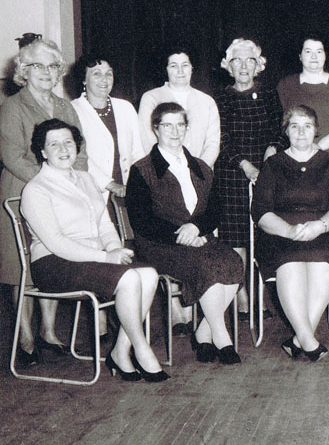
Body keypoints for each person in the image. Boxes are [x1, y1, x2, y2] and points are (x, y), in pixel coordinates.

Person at [20, 119, 167, 382]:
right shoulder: (36, 189)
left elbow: (105, 224)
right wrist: (105, 257)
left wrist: (115, 249)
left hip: (91, 258)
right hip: (53, 265)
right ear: (42, 151)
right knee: (129, 278)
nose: (63, 149)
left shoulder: (86, 179)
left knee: (148, 275)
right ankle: (142, 349)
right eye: (54, 144)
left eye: (68, 142)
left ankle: (121, 350)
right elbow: (57, 243)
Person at [126, 102, 243, 365]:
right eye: (167, 125)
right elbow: (142, 221)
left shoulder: (201, 166)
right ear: (156, 129)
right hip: (160, 244)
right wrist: (182, 234)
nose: (174, 131)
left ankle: (203, 334)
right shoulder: (142, 169)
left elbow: (215, 209)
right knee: (207, 266)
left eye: (180, 124)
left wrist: (197, 228)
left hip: (199, 237)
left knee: (234, 262)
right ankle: (222, 337)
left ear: (187, 128)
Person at [0, 36, 87, 366]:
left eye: (53, 66)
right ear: (23, 70)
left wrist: (76, 182)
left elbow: (79, 151)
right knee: (20, 268)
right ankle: (25, 336)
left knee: (51, 256)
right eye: (37, 66)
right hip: (20, 192)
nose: (46, 73)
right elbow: (13, 157)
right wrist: (52, 180)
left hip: (62, 195)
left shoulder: (65, 107)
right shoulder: (12, 108)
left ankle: (50, 332)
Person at [251, 105, 329, 362]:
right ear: (286, 131)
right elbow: (260, 212)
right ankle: (307, 340)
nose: (301, 132)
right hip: (279, 235)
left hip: (323, 231)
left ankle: (300, 339)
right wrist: (289, 230)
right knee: (291, 264)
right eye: (294, 126)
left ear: (317, 130)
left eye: (307, 126)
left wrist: (320, 225)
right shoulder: (273, 164)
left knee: (323, 263)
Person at [215, 38, 285, 320]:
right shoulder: (220, 98)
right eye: (237, 61)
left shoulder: (269, 94)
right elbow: (221, 139)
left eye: (250, 60)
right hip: (232, 175)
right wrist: (245, 166)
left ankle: (263, 296)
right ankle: (242, 296)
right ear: (228, 66)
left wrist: (271, 151)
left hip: (266, 173)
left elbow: (280, 128)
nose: (244, 66)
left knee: (265, 235)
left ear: (259, 65)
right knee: (236, 239)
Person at [277, 36, 329, 179]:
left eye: (319, 51)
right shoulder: (285, 85)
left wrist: (318, 147)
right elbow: (280, 124)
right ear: (300, 56)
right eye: (308, 51)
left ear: (325, 55)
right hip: (296, 161)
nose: (314, 56)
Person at [72, 54, 144, 203]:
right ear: (84, 79)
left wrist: (138, 184)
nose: (104, 80)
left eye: (108, 74)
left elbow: (138, 152)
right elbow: (78, 156)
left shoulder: (126, 107)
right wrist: (109, 184)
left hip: (127, 190)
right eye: (96, 74)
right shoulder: (73, 110)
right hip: (93, 190)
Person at [138, 44, 220, 168]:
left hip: (200, 175)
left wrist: (198, 171)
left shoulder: (207, 101)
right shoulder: (151, 98)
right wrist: (168, 171)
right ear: (166, 69)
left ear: (192, 68)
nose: (180, 71)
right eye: (173, 66)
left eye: (185, 65)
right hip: (163, 175)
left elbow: (213, 143)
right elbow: (147, 138)